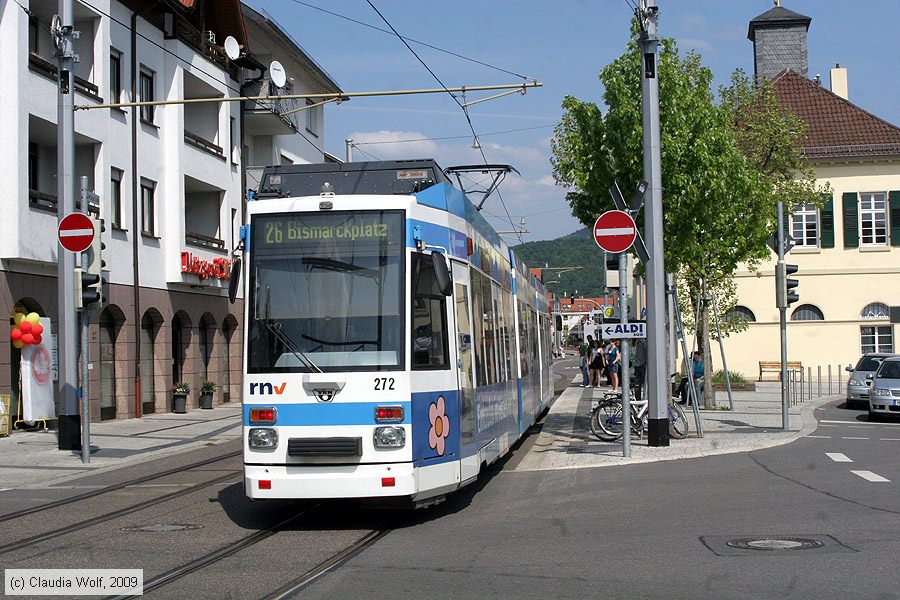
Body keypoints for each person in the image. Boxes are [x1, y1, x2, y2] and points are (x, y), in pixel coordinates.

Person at [633, 337, 647, 403]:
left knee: (645, 383)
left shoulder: (644, 342)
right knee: (637, 384)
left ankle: (645, 399)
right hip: (637, 365)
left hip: (643, 366)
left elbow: (646, 353)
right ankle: (638, 399)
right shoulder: (637, 342)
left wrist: (645, 364)